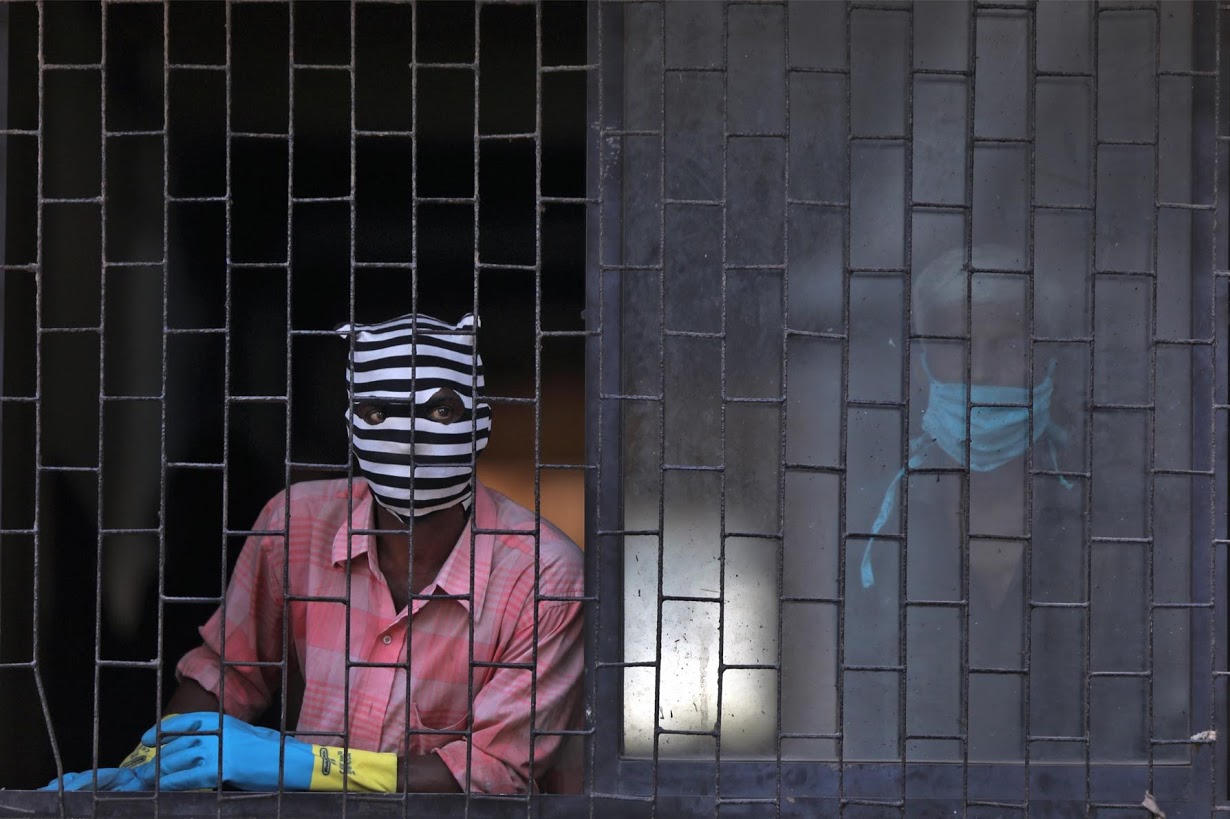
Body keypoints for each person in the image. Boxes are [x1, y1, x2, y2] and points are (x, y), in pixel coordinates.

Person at [42, 312, 585, 794]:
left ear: (481, 422)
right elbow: (228, 674)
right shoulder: (296, 524)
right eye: (378, 412)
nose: (408, 436)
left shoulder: (544, 575)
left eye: (440, 410)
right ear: (350, 425)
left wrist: (299, 765)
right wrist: (144, 773)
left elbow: (494, 771)